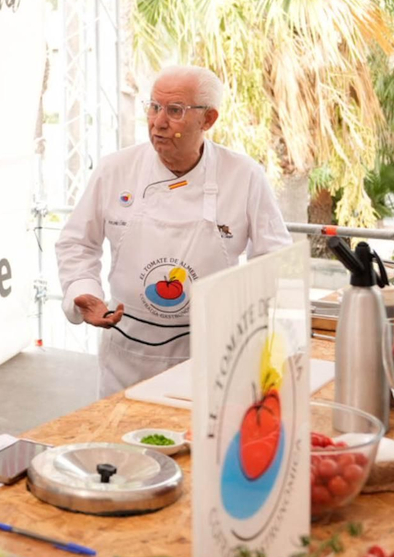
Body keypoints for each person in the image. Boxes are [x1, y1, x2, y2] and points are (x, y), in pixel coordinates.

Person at [55, 64, 293, 397]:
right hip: (128, 353)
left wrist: (248, 320)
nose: (159, 122)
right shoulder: (116, 170)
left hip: (210, 354)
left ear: (208, 120)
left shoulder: (243, 175)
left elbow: (275, 258)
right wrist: (84, 289)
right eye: (153, 107)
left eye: (175, 111)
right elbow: (77, 242)